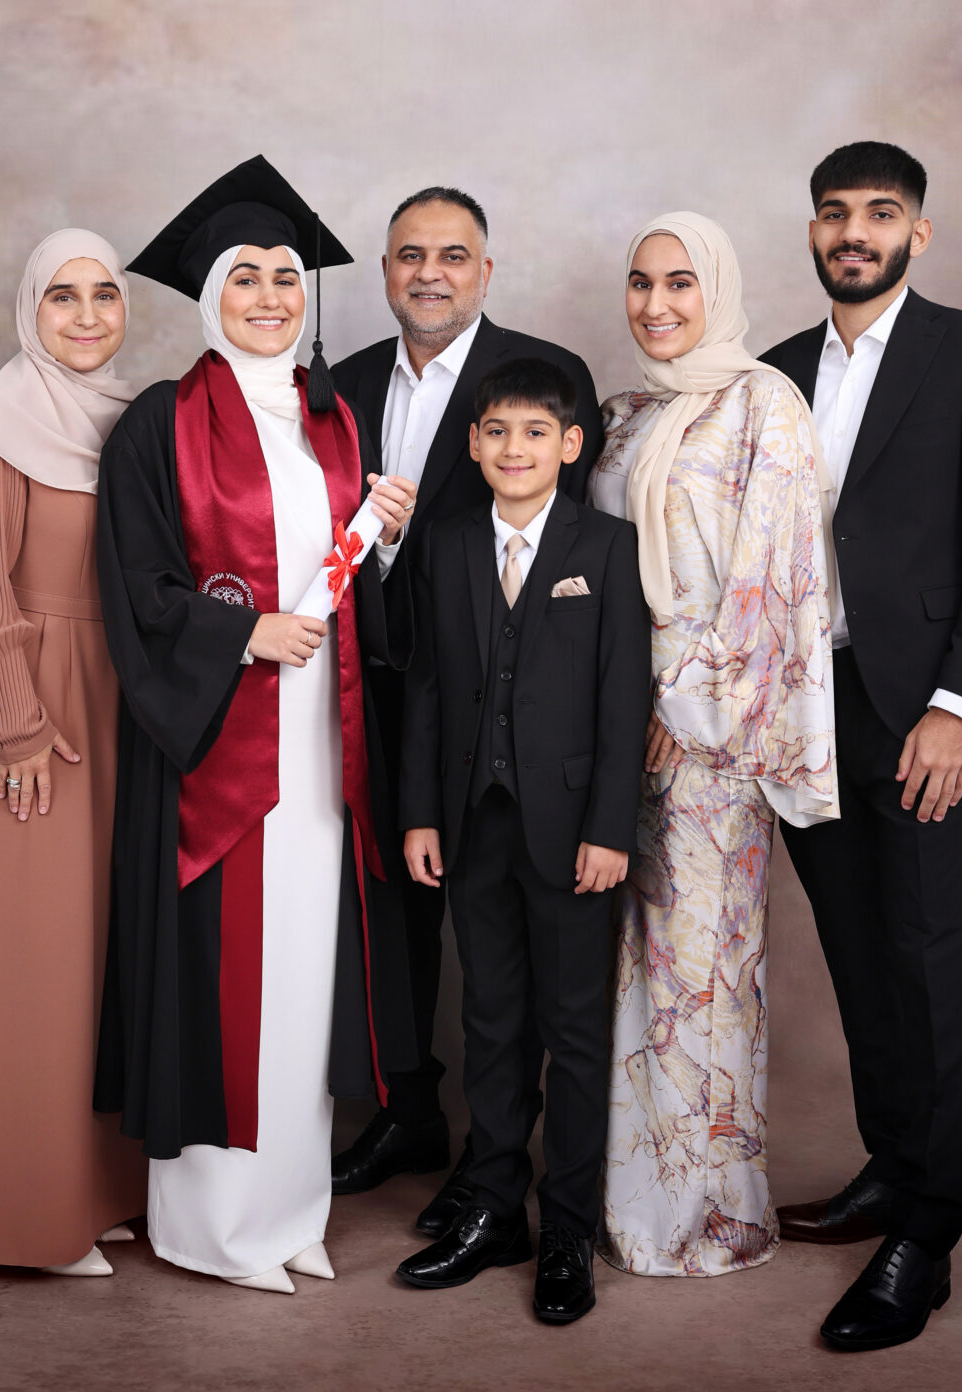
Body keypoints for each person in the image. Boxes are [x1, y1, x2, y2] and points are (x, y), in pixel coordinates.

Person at [91, 156, 420, 1294]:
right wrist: (242, 638)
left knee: (305, 973)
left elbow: (346, 594)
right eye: (247, 280)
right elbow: (134, 587)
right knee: (224, 977)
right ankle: (215, 1228)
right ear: (210, 298)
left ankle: (291, 1209)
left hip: (324, 746)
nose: (273, 296)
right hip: (220, 750)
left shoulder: (335, 424)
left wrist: (380, 539)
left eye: (287, 278)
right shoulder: (160, 425)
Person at [759, 142, 962, 1351]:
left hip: (916, 713)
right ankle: (892, 1161)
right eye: (836, 214)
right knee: (859, 957)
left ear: (918, 232)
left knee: (929, 968)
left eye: (880, 214)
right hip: (801, 717)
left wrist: (957, 707)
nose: (855, 232)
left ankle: (928, 1230)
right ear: (813, 232)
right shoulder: (770, 376)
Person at [329, 188, 606, 1238]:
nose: (430, 273)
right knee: (390, 914)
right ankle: (407, 1110)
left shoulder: (540, 378)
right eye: (409, 256)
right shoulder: (341, 385)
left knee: (503, 945)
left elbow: (565, 565)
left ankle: (521, 1168)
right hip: (372, 691)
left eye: (453, 255)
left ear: (487, 272)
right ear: (386, 271)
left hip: (492, 710)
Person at [586, 213, 838, 1280]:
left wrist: (682, 706)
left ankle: (703, 1214)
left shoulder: (763, 406)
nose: (656, 305)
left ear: (719, 290)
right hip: (606, 727)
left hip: (703, 740)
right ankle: (629, 1192)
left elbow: (772, 590)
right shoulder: (626, 411)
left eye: (681, 283)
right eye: (641, 283)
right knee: (620, 974)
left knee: (699, 975)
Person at [394, 357, 649, 1325]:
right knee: (492, 1025)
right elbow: (424, 686)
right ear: (473, 443)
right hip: (473, 826)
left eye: (535, 433)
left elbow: (626, 699)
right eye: (497, 432)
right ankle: (494, 1206)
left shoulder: (610, 547)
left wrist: (611, 829)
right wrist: (420, 811)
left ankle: (567, 1232)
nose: (514, 449)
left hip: (576, 833)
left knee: (575, 1035)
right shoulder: (448, 545)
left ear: (571, 445)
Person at [0, 230, 148, 1278]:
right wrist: (14, 723)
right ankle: (24, 1213)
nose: (86, 316)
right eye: (62, 297)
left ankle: (103, 1192)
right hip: (34, 705)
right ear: (30, 309)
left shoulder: (133, 417)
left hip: (125, 699)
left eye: (104, 295)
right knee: (37, 954)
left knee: (109, 951)